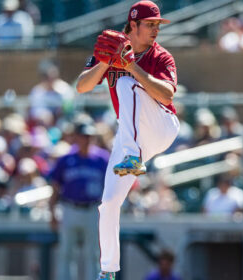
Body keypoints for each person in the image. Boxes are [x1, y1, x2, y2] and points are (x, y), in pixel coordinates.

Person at [76, 1, 180, 279]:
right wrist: (105, 63)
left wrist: (131, 67)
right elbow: (82, 86)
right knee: (108, 202)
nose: (156, 29)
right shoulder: (114, 48)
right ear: (133, 25)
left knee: (125, 82)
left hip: (161, 126)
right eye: (150, 24)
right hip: (129, 135)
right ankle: (108, 270)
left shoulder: (161, 56)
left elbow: (167, 96)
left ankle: (133, 157)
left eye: (158, 24)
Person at [48, 120, 109, 280]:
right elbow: (55, 187)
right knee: (66, 253)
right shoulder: (65, 159)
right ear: (76, 137)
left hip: (93, 209)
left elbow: (111, 188)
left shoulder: (102, 159)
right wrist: (52, 213)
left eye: (89, 136)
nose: (86, 139)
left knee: (93, 254)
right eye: (83, 136)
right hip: (70, 208)